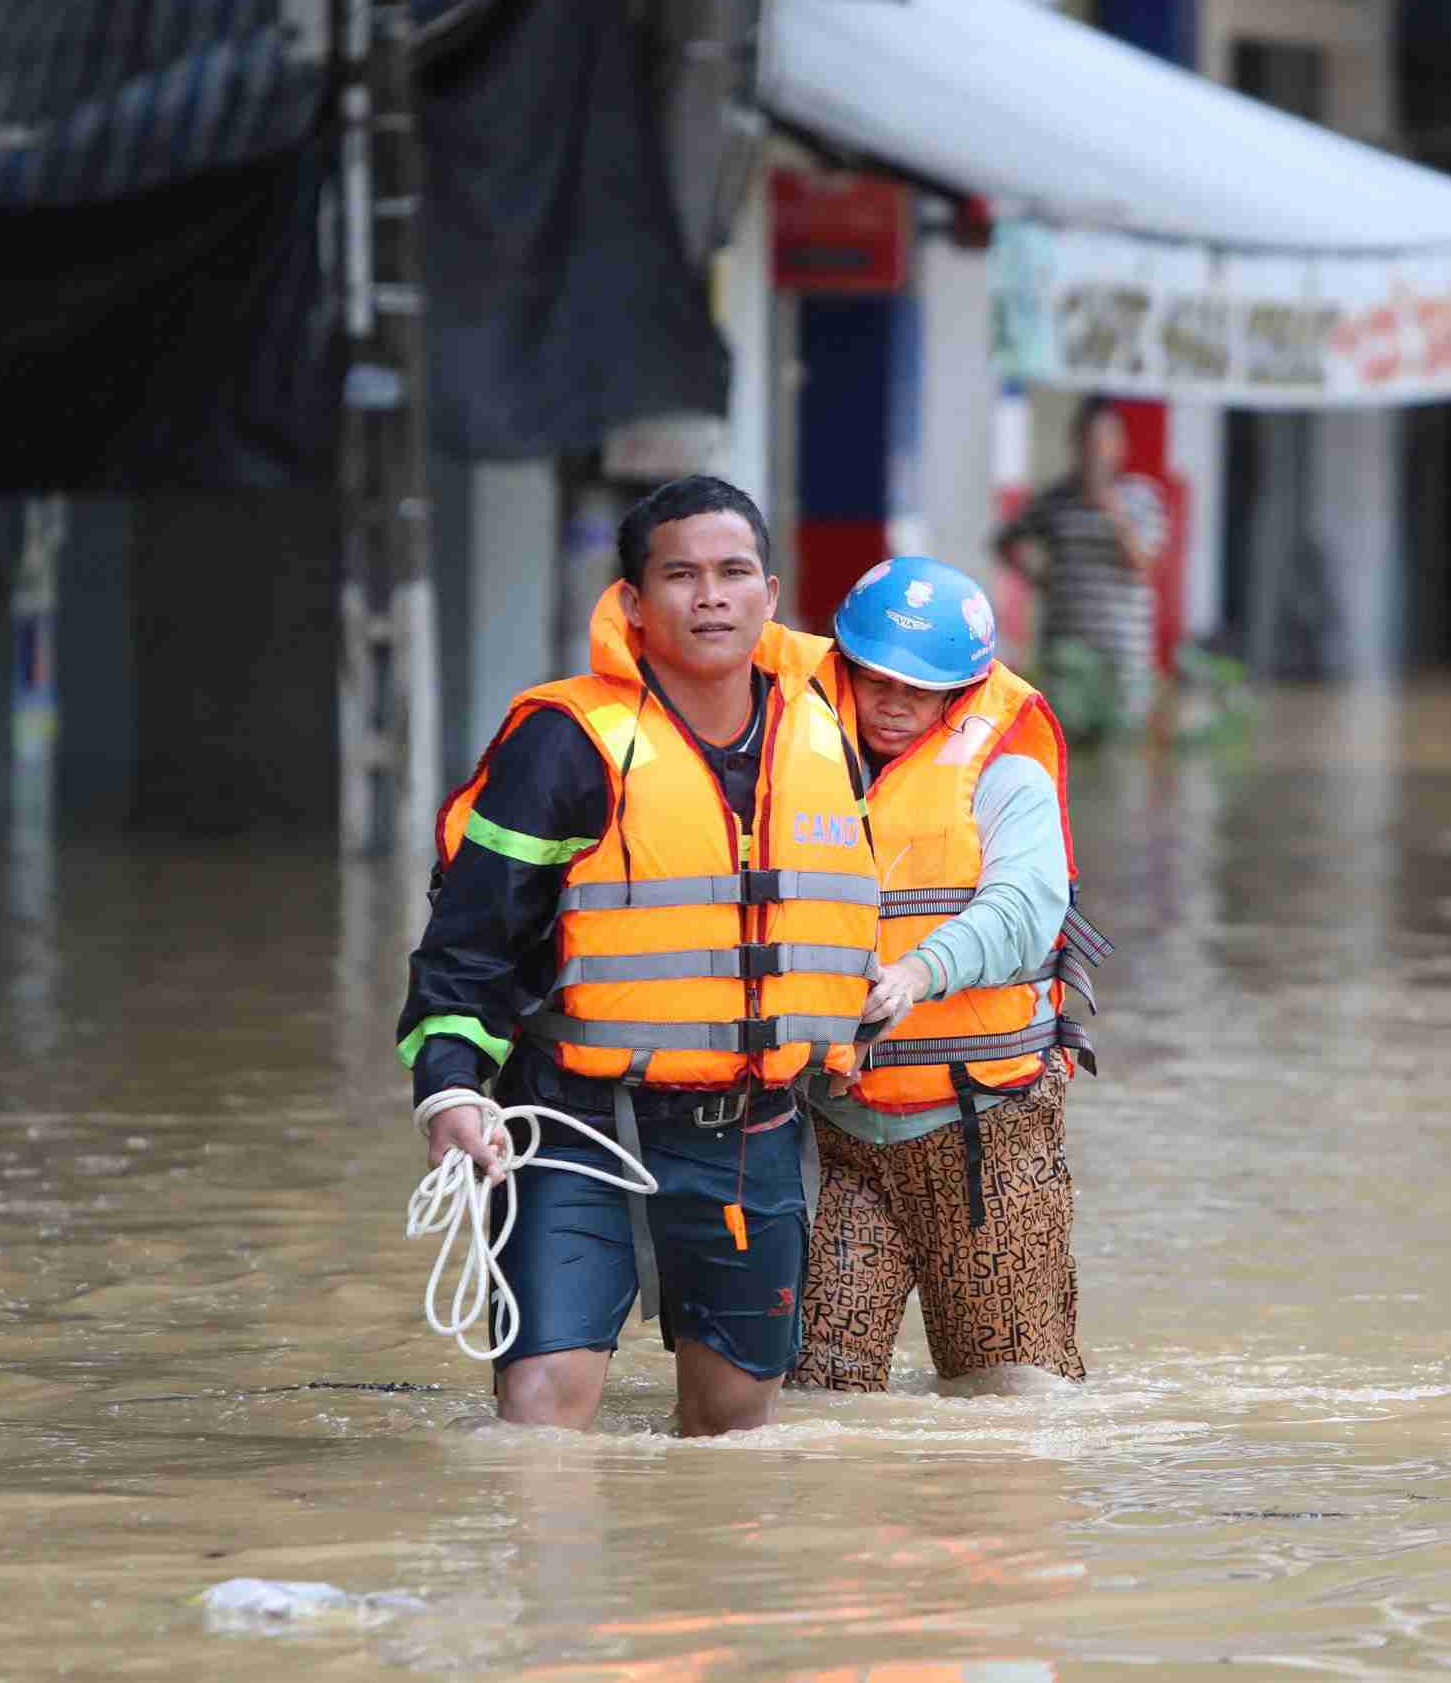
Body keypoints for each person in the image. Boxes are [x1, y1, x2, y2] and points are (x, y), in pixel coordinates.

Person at [396, 475, 878, 1436]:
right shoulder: (562, 742)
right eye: (681, 574)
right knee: (541, 1415)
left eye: (734, 572)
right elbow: (469, 940)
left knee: (734, 1431)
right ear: (632, 601)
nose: (710, 596)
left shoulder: (834, 730)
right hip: (577, 1123)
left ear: (771, 597)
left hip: (753, 1131)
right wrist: (450, 1087)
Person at [787, 555, 1112, 1392]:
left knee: (1015, 1396)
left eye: (921, 689)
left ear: (960, 694)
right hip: (843, 1137)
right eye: (878, 680)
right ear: (847, 670)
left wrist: (919, 973)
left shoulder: (1009, 775)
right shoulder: (801, 769)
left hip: (984, 1129)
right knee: (816, 1392)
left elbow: (1025, 911)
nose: (894, 703)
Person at [996, 393, 1161, 733]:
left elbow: (1145, 564)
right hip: (1065, 654)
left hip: (1123, 659)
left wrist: (1113, 512)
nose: (1094, 450)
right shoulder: (1055, 500)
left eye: (1103, 440)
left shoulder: (1142, 497)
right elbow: (1005, 542)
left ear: (1119, 446)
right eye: (1087, 440)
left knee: (1121, 754)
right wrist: (1043, 582)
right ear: (1075, 444)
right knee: (1063, 743)